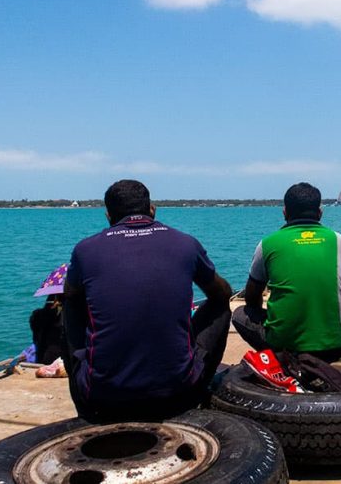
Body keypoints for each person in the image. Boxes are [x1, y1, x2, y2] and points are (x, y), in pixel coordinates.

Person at [62, 179, 232, 422]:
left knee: (70, 305)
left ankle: (85, 398)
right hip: (178, 394)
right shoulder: (185, 243)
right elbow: (222, 293)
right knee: (220, 305)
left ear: (108, 216)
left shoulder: (85, 250)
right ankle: (196, 385)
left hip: (103, 399)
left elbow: (70, 294)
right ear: (152, 209)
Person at [233, 182, 341, 362]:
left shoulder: (267, 244)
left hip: (283, 347)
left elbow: (252, 298)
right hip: (337, 346)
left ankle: (280, 346)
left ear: (284, 213)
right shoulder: (340, 240)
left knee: (240, 314)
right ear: (320, 213)